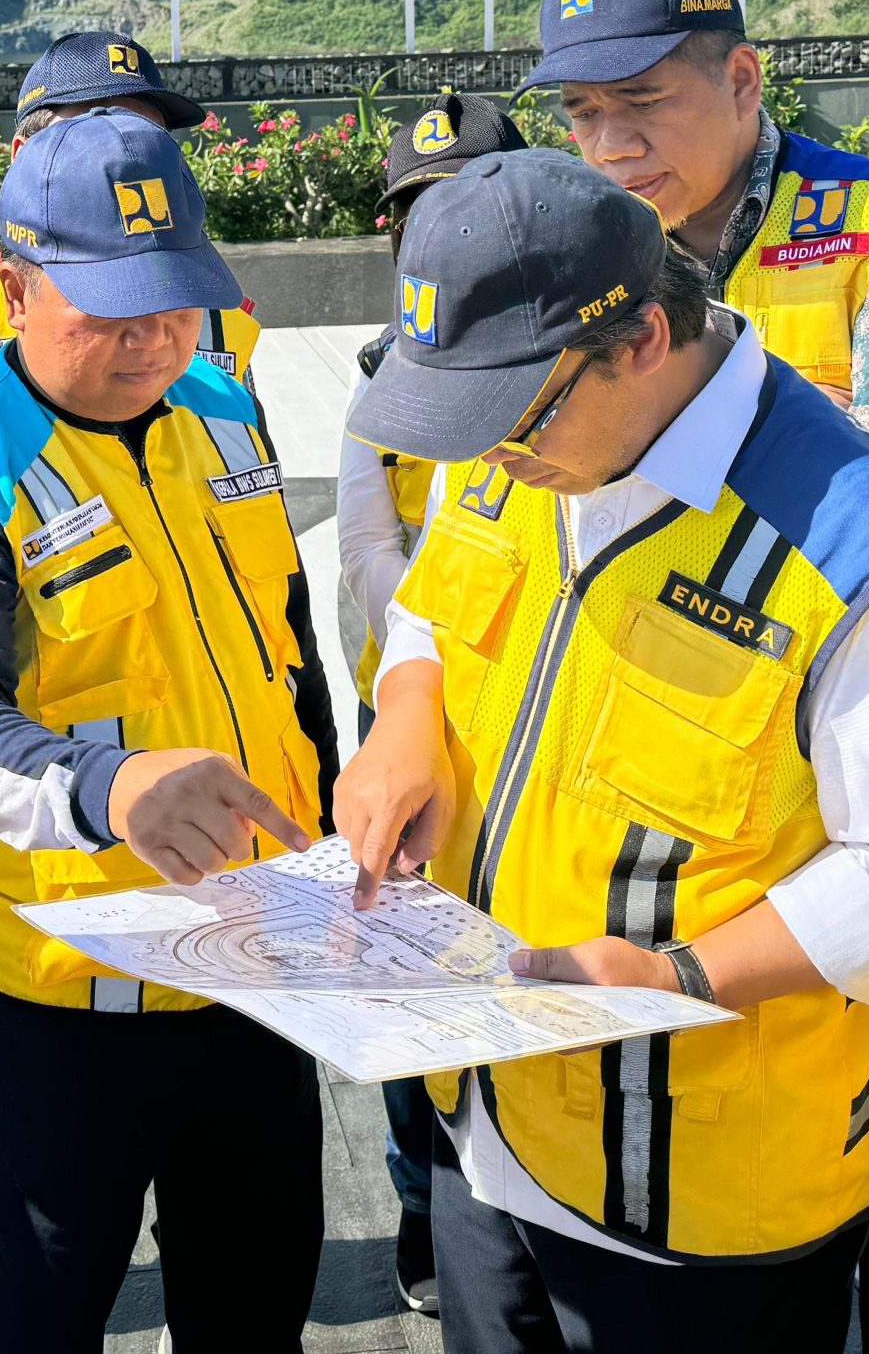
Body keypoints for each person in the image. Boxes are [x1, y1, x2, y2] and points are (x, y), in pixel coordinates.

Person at [336, 149, 869, 1353]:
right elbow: (432, 608)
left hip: (698, 1186)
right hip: (489, 1121)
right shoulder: (523, 439)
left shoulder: (867, 549)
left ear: (640, 338)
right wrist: (405, 715)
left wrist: (679, 978)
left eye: (511, 420)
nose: (486, 456)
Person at [525, 0, 869, 1348]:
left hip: (834, 752)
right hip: (639, 747)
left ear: (741, 79)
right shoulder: (575, 238)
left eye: (642, 103)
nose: (609, 147)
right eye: (582, 112)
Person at [0, 109, 330, 1351]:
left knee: (257, 1309)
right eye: (110, 306)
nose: (151, 336)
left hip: (252, 965)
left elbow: (283, 652)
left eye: (173, 299)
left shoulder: (221, 409)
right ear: (14, 290)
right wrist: (106, 788)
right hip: (63, 1002)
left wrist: (336, 829)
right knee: (41, 1323)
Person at [336, 89, 526, 1317]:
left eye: (463, 199)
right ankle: (426, 1196)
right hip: (418, 712)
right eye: (414, 208)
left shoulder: (577, 340)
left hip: (544, 715)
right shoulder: (383, 369)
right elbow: (369, 543)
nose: (434, 227)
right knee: (410, 973)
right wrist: (438, 671)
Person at [0, 29, 254, 504]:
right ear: (22, 157)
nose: (120, 152)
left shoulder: (219, 318)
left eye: (146, 138)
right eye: (83, 133)